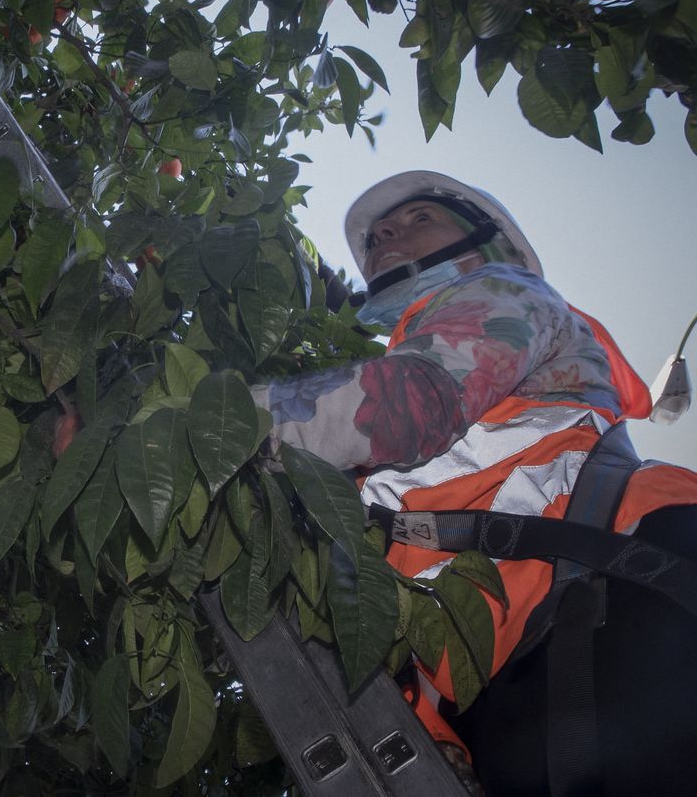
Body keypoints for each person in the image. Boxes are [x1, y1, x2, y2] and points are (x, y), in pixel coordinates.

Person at [250, 171, 697, 795]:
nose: (386, 235)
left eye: (420, 219)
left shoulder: (506, 291)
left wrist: (197, 428)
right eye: (380, 234)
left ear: (489, 245)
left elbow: (406, 402)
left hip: (633, 595)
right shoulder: (404, 359)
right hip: (520, 672)